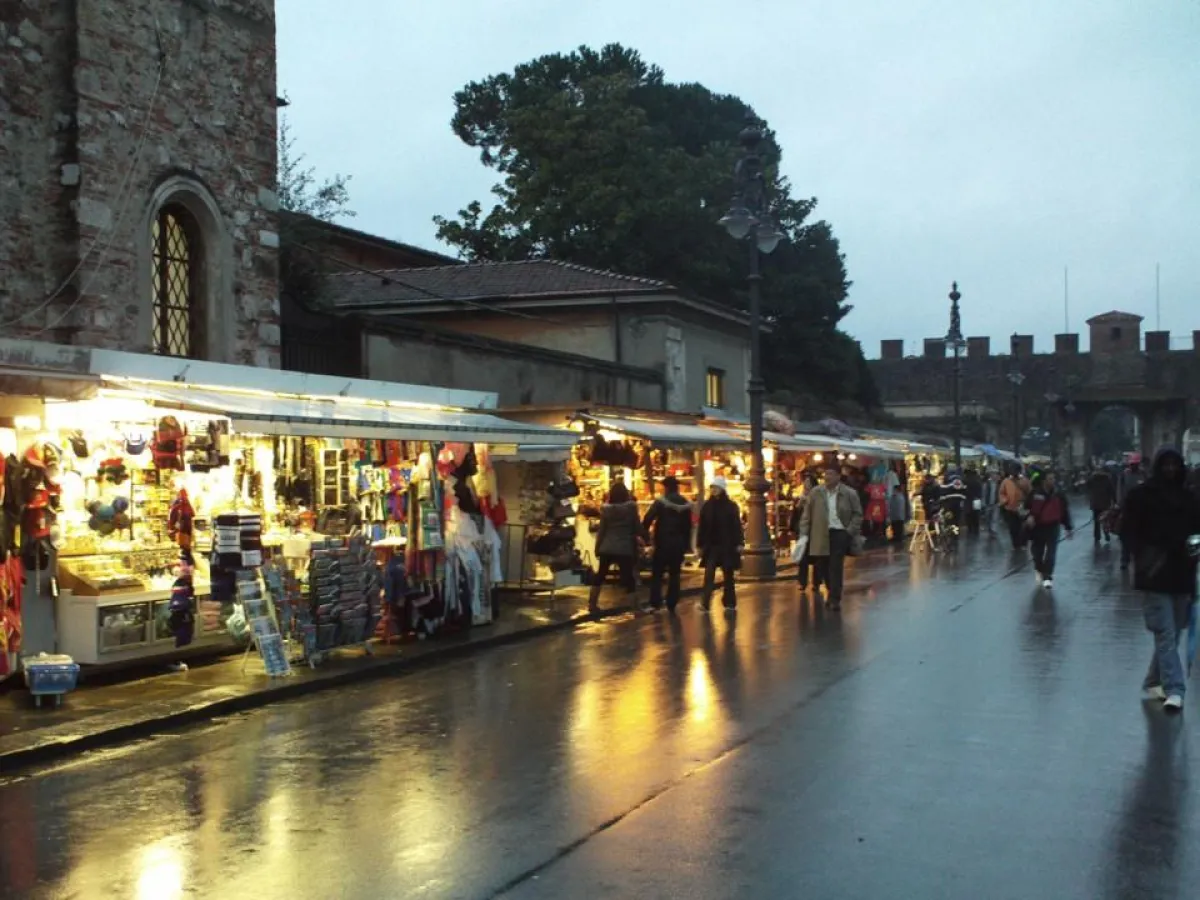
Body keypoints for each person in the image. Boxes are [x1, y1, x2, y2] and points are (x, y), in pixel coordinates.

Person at [1121, 447, 1200, 712]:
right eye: (1165, 465)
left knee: (1173, 634)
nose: (1170, 470)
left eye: (1174, 465)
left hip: (1181, 574)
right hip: (1154, 573)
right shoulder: (1142, 497)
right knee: (1166, 633)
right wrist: (1140, 557)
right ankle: (1175, 689)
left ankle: (1154, 680)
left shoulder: (1190, 499)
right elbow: (1128, 531)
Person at [798, 466, 864, 610]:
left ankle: (835, 598)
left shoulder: (849, 493)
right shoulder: (816, 493)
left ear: (838, 476)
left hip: (840, 533)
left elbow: (857, 514)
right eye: (825, 474)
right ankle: (830, 589)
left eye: (830, 473)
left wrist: (850, 531)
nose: (827, 477)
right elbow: (807, 515)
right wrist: (803, 534)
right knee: (822, 565)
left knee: (835, 565)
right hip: (820, 533)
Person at [588, 482, 642, 615]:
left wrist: (597, 547)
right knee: (629, 578)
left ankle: (592, 604)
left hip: (607, 546)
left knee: (600, 575)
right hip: (624, 547)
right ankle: (635, 608)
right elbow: (636, 526)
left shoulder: (606, 509)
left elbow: (602, 530)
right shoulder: (631, 508)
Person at [642, 476, 693, 612]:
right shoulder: (685, 503)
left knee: (657, 573)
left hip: (663, 542)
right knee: (674, 573)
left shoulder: (660, 502)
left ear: (666, 487)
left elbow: (648, 518)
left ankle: (655, 602)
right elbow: (688, 527)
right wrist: (686, 545)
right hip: (678, 543)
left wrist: (645, 536)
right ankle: (672, 602)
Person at [698, 476, 743, 614]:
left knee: (728, 574)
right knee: (709, 574)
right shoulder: (707, 506)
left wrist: (739, 542)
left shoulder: (730, 506)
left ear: (722, 489)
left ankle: (729, 602)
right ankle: (705, 603)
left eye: (716, 487)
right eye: (712, 487)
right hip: (712, 546)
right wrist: (700, 545)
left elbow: (736, 526)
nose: (713, 490)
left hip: (727, 545)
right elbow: (702, 526)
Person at [1026, 472, 1073, 589]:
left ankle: (1047, 576)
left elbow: (1064, 510)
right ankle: (1039, 568)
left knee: (1051, 553)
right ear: (1044, 481)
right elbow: (1026, 506)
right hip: (1038, 526)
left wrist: (1068, 527)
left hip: (1053, 526)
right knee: (1037, 552)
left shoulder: (1059, 494)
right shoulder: (1036, 493)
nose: (1053, 481)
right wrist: (1029, 516)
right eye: (1050, 479)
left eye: (1053, 478)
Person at [788, 474, 823, 591]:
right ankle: (802, 581)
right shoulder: (800, 498)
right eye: (805, 483)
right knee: (802, 557)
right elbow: (795, 515)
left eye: (808, 483)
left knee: (817, 558)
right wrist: (799, 505)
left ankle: (816, 582)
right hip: (803, 531)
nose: (806, 486)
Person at [1116, 457, 1147, 570]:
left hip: (1141, 509)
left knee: (1140, 536)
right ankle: (1125, 559)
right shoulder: (1124, 475)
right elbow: (1119, 490)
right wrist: (1119, 504)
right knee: (1125, 536)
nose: (1134, 466)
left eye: (1135, 464)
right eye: (1132, 464)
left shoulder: (1143, 474)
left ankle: (1139, 558)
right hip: (1127, 509)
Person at [999, 465, 1031, 550]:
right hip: (1010, 508)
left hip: (1023, 508)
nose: (1014, 473)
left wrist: (1027, 502)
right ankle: (1016, 544)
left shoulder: (1025, 480)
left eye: (1016, 470)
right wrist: (1005, 500)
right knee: (1013, 528)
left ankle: (1024, 543)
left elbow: (1030, 492)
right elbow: (1001, 493)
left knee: (1024, 527)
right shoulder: (1006, 481)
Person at [1086, 466, 1116, 545]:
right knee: (1105, 520)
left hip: (1095, 503)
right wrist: (1114, 500)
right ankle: (1106, 533)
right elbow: (1112, 490)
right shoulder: (1107, 479)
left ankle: (1097, 536)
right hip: (1105, 503)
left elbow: (1087, 486)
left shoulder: (1092, 479)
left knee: (1096, 521)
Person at [964, 466, 983, 536]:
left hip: (968, 500)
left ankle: (970, 529)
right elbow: (980, 490)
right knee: (976, 514)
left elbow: (964, 490)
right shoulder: (978, 480)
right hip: (977, 499)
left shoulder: (965, 480)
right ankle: (976, 529)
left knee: (968, 515)